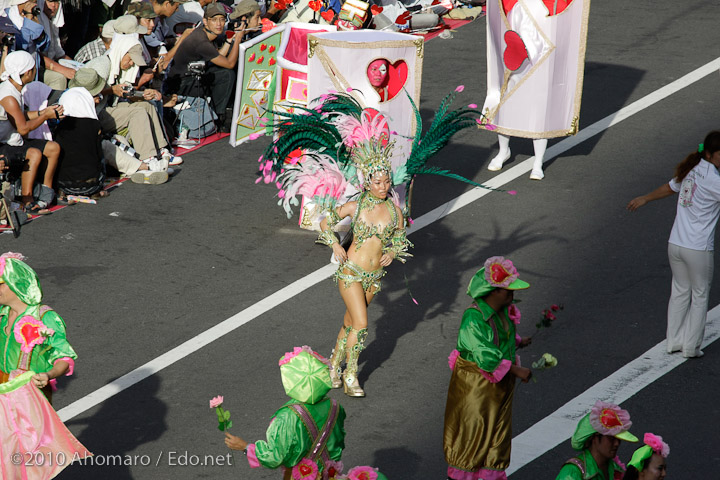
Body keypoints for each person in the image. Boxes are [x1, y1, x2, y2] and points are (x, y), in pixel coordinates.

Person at [626, 132, 720, 358]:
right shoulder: (714, 180)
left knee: (679, 291)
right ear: (709, 154)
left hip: (676, 244)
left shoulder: (691, 170)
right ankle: (691, 347)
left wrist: (645, 198)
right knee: (699, 294)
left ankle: (674, 342)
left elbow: (670, 188)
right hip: (698, 248)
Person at [443, 256, 532, 480]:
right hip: (476, 388)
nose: (512, 294)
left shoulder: (502, 313)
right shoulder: (473, 318)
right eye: (507, 290)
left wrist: (519, 341)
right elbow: (484, 354)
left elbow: (499, 338)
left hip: (497, 389)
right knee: (472, 439)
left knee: (496, 439)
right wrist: (516, 370)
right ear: (493, 292)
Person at [223, 346, 347, 479]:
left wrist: (245, 447)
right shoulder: (335, 406)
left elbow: (275, 457)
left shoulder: (287, 416)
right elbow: (337, 441)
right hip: (329, 474)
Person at [85, 34, 182, 165]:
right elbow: (85, 93)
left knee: (147, 106)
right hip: (95, 114)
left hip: (108, 109)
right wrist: (111, 90)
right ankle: (147, 158)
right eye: (130, 59)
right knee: (137, 113)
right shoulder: (102, 64)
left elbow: (124, 92)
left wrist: (143, 94)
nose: (131, 64)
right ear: (122, 52)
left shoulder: (118, 66)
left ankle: (161, 151)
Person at [68, 67, 170, 184]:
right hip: (89, 144)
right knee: (109, 146)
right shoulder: (76, 105)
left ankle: (152, 160)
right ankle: (146, 166)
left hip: (93, 135)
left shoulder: (80, 96)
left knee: (118, 141)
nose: (98, 100)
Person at [0, 252, 77, 404]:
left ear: (17, 283)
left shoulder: (44, 317)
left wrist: (48, 375)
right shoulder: (2, 315)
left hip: (30, 393)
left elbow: (64, 358)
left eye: (0, 284)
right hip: (3, 388)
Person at [166, 2, 249, 130]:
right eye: (214, 20)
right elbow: (229, 63)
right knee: (227, 74)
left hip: (193, 74)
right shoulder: (201, 40)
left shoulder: (204, 32)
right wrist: (237, 39)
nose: (219, 24)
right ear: (205, 21)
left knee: (223, 71)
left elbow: (217, 57)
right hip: (182, 84)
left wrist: (229, 40)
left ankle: (221, 111)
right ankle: (219, 116)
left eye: (222, 19)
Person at [0, 50, 62, 215]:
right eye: (34, 69)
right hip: (5, 144)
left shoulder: (14, 88)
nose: (35, 72)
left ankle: (46, 193)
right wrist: (45, 116)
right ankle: (27, 200)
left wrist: (46, 112)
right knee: (34, 153)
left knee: (53, 148)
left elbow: (22, 116)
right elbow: (23, 128)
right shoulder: (8, 96)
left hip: (15, 140)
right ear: (28, 72)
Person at [555, 400, 638, 480]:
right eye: (611, 438)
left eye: (619, 439)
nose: (616, 443)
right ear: (594, 438)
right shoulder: (572, 472)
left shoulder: (615, 469)